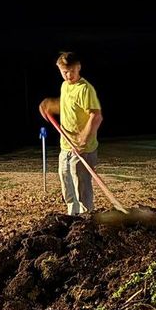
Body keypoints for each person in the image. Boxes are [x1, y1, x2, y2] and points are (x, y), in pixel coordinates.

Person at [39, 52, 103, 215]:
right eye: (64, 72)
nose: (68, 75)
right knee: (66, 182)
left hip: (83, 149)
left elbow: (96, 116)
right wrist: (50, 105)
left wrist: (83, 139)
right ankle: (72, 217)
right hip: (66, 146)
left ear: (79, 67)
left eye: (71, 71)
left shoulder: (85, 89)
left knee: (81, 186)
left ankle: (86, 219)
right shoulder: (65, 86)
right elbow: (68, 106)